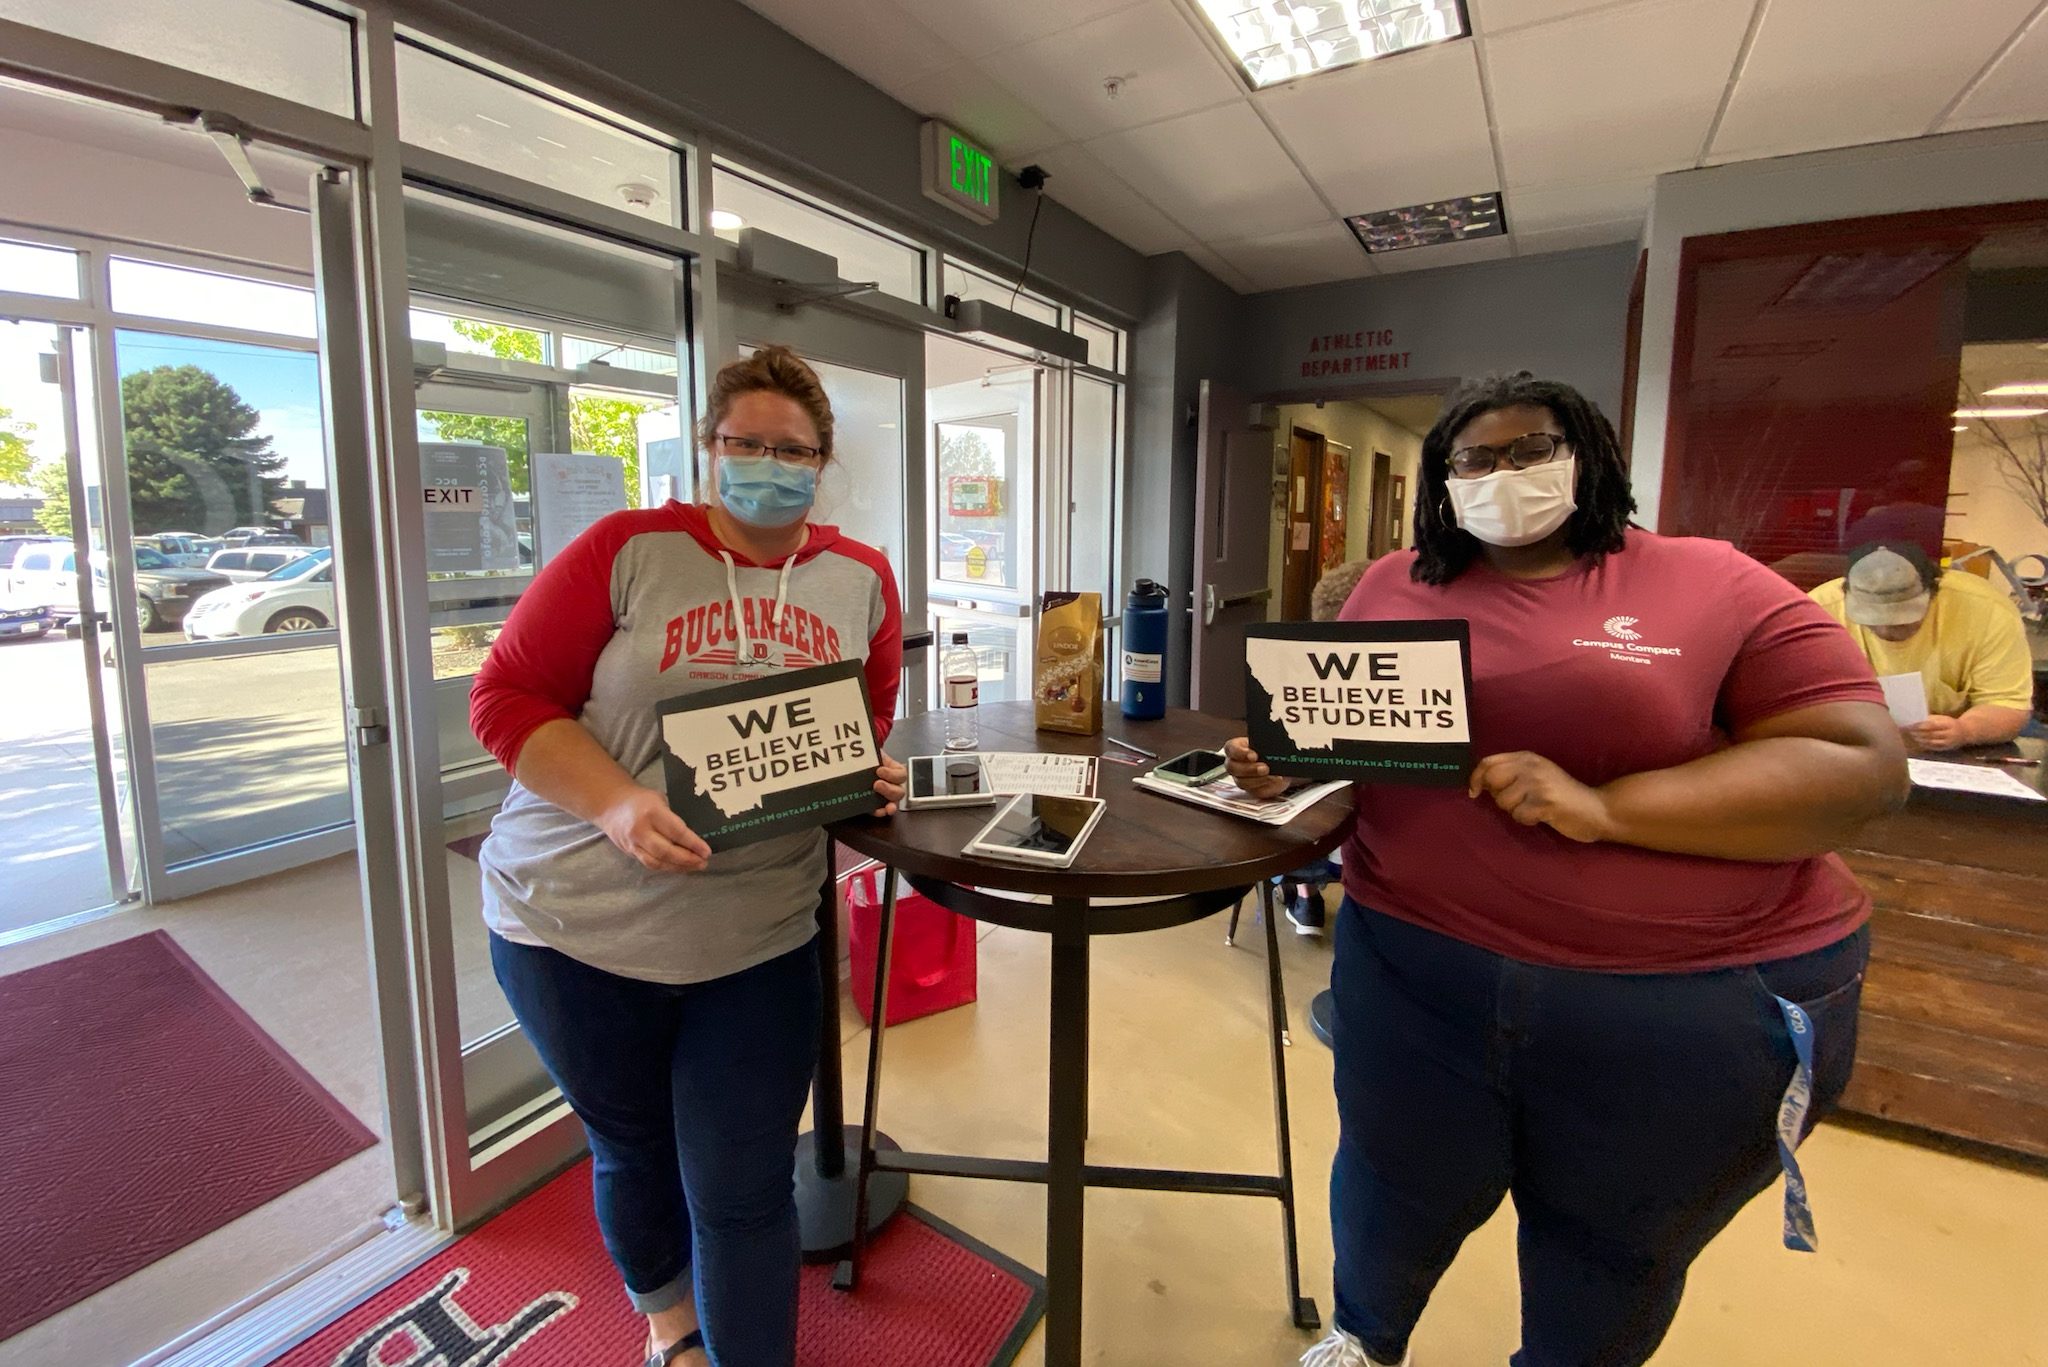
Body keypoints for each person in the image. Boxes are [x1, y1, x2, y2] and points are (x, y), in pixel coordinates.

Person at [1224, 373, 1908, 1367]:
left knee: (1613, 1240)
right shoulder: (1389, 583)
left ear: (1586, 457)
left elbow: (1859, 765)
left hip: (1676, 1005)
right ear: (1441, 478)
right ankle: (1359, 1336)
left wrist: (1604, 807)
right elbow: (1361, 738)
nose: (1502, 475)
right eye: (1473, 459)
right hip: (1414, 972)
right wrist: (1294, 756)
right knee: (1387, 1177)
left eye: (1530, 449)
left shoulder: (1706, 580)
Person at [468, 346, 907, 1367]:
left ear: (821, 459)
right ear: (708, 447)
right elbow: (506, 699)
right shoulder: (627, 548)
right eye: (741, 442)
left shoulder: (860, 579)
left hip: (752, 938)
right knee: (632, 1149)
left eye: (787, 448)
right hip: (568, 923)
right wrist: (618, 802)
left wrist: (865, 772)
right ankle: (671, 1328)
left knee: (743, 1187)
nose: (764, 462)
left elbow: (863, 722)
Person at [1810, 541, 2034, 752]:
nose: (1886, 630)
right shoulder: (1818, 611)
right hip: (1849, 746)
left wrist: (1966, 730)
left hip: (1956, 754)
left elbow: (2008, 705)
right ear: (1845, 594)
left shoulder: (1988, 611)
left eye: (1904, 620)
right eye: (1871, 621)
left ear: (1933, 592)